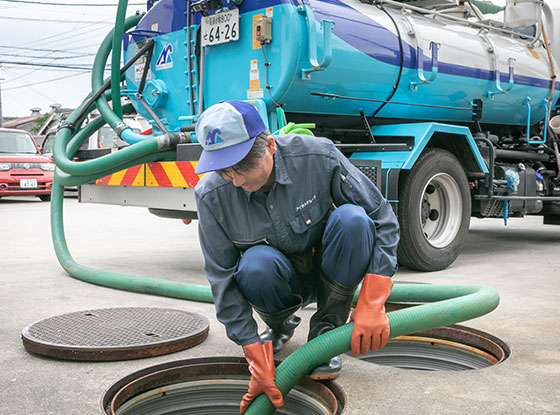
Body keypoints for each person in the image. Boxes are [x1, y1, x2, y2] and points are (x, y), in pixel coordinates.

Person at [194, 101, 399, 413]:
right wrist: (252, 348)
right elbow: (222, 277)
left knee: (354, 220)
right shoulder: (210, 195)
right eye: (224, 170)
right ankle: (278, 328)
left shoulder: (319, 156)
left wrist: (372, 302)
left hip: (331, 269)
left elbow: (383, 219)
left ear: (270, 146)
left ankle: (325, 333)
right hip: (277, 283)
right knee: (254, 265)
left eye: (242, 166)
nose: (234, 180)